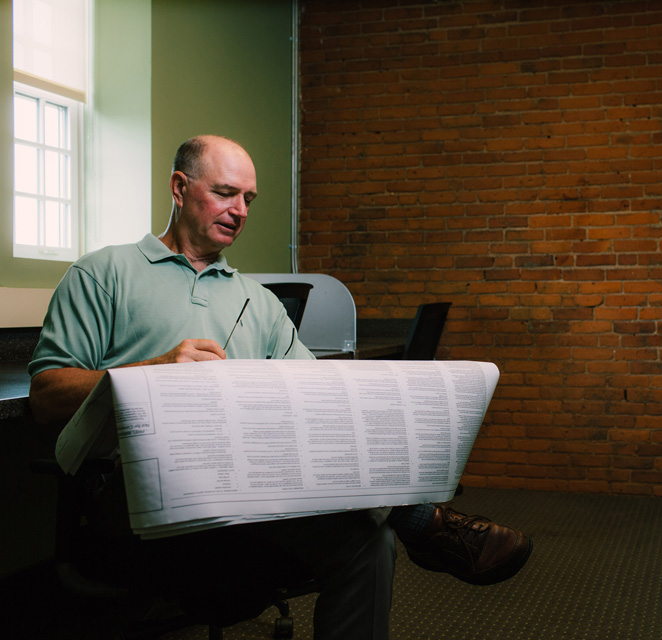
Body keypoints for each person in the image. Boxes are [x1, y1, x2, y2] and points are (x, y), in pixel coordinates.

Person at [29, 135, 532, 638]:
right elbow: (47, 396)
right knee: (374, 524)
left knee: (368, 539)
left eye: (249, 199)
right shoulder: (103, 274)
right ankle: (424, 520)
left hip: (250, 490)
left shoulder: (259, 301)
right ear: (180, 188)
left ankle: (415, 515)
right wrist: (156, 369)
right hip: (141, 490)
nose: (240, 209)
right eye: (226, 192)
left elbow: (317, 404)